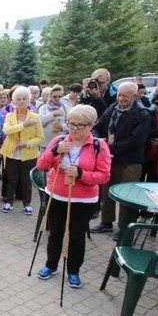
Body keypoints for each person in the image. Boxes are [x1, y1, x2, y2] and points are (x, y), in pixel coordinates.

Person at [36, 105, 111, 288]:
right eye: (72, 124)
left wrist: (81, 174)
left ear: (91, 125)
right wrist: (55, 151)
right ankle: (51, 265)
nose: (75, 129)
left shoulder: (98, 145)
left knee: (77, 237)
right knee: (55, 234)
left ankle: (74, 271)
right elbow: (41, 165)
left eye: (80, 125)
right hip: (57, 195)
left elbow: (104, 175)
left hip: (83, 200)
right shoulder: (59, 140)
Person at [90, 82, 151, 238]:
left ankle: (124, 227)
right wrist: (97, 139)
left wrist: (109, 148)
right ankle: (106, 222)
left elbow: (136, 140)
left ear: (135, 96)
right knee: (107, 192)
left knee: (127, 196)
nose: (121, 98)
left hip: (129, 161)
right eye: (119, 95)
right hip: (109, 159)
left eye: (125, 95)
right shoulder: (112, 108)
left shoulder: (142, 114)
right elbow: (97, 126)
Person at [0, 86, 44, 214]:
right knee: (11, 179)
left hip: (29, 154)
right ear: (14, 101)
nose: (21, 101)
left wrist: (27, 144)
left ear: (28, 100)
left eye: (24, 98)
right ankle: (9, 202)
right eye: (18, 99)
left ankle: (27, 203)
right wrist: (23, 125)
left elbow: (40, 137)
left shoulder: (35, 117)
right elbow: (7, 130)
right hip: (11, 153)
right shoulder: (9, 116)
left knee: (26, 180)